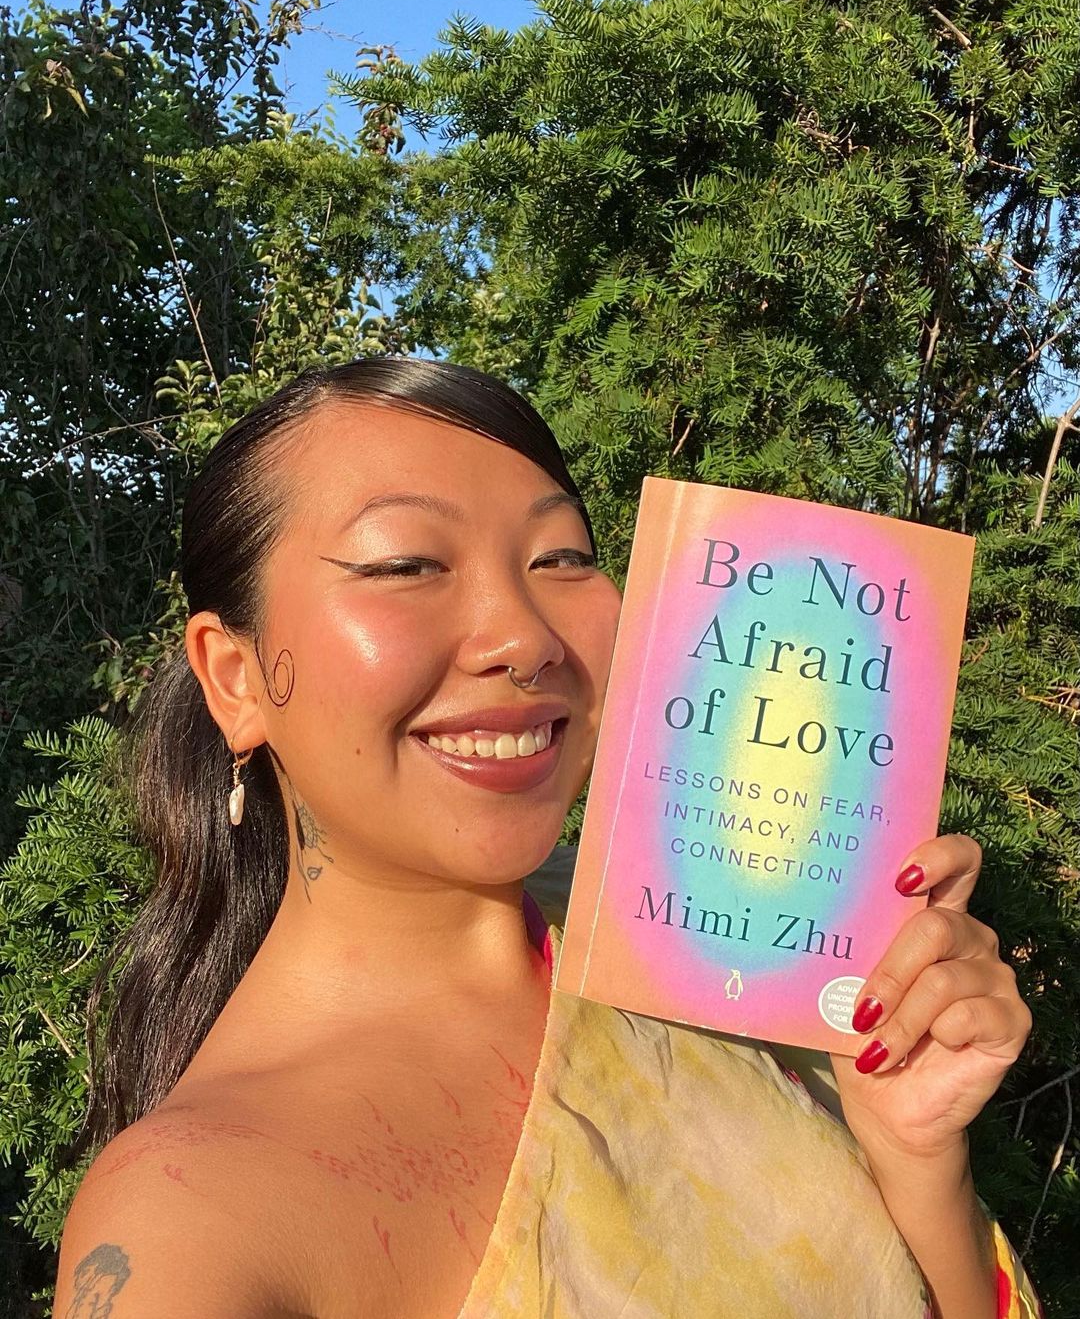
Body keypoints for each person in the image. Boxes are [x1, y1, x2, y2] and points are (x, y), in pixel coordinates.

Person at [52, 358, 1042, 1317]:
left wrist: (914, 1155)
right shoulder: (191, 1218)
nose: (524, 638)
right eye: (406, 565)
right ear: (236, 678)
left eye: (560, 558)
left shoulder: (679, 947)